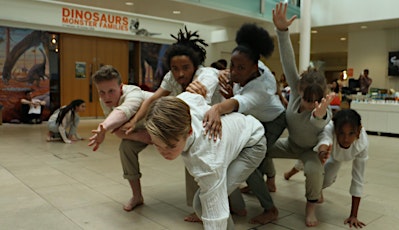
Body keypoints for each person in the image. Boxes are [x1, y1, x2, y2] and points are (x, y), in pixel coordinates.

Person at [117, 26, 221, 218]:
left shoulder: (204, 75)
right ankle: (137, 195)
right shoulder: (170, 78)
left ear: (195, 66)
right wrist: (134, 121)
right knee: (127, 145)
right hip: (174, 119)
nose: (180, 74)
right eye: (175, 68)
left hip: (206, 124)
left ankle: (202, 208)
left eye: (185, 68)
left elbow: (216, 75)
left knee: (193, 151)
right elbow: (152, 99)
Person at [202, 23, 286, 224]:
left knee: (249, 161)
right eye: (232, 65)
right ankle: (266, 184)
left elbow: (238, 102)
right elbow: (237, 90)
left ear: (254, 68)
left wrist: (216, 109)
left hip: (274, 121)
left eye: (241, 68)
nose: (234, 71)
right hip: (258, 118)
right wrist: (222, 73)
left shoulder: (261, 89)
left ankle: (270, 208)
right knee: (253, 157)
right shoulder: (255, 63)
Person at [145, 92, 266, 230]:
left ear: (189, 131)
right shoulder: (180, 104)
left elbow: (215, 216)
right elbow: (195, 97)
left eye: (171, 146)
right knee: (220, 180)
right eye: (156, 144)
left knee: (201, 204)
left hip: (252, 143)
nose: (163, 152)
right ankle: (239, 209)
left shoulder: (207, 162)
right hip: (234, 136)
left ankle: (242, 209)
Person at [269, 3, 334, 227]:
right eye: (307, 100)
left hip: (310, 150)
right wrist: (282, 31)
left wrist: (319, 115)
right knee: (259, 149)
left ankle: (311, 207)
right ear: (298, 90)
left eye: (316, 101)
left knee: (314, 171)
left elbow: (323, 128)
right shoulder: (297, 88)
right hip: (291, 144)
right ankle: (269, 182)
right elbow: (288, 60)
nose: (310, 105)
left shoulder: (323, 108)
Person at [88, 65, 154, 212]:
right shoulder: (104, 100)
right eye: (102, 92)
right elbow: (117, 131)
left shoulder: (134, 93)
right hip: (143, 129)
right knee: (126, 148)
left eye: (111, 91)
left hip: (166, 123)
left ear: (121, 87)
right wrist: (141, 137)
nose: (106, 97)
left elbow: (123, 112)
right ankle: (137, 196)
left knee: (189, 151)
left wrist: (103, 127)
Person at [316, 109, 369, 228]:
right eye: (341, 133)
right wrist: (322, 152)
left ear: (359, 130)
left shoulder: (362, 143)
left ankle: (318, 189)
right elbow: (324, 140)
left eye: (351, 133)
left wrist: (354, 215)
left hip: (339, 156)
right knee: (316, 174)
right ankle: (292, 171)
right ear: (335, 130)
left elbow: (358, 179)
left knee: (326, 180)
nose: (346, 139)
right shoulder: (329, 128)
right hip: (329, 152)